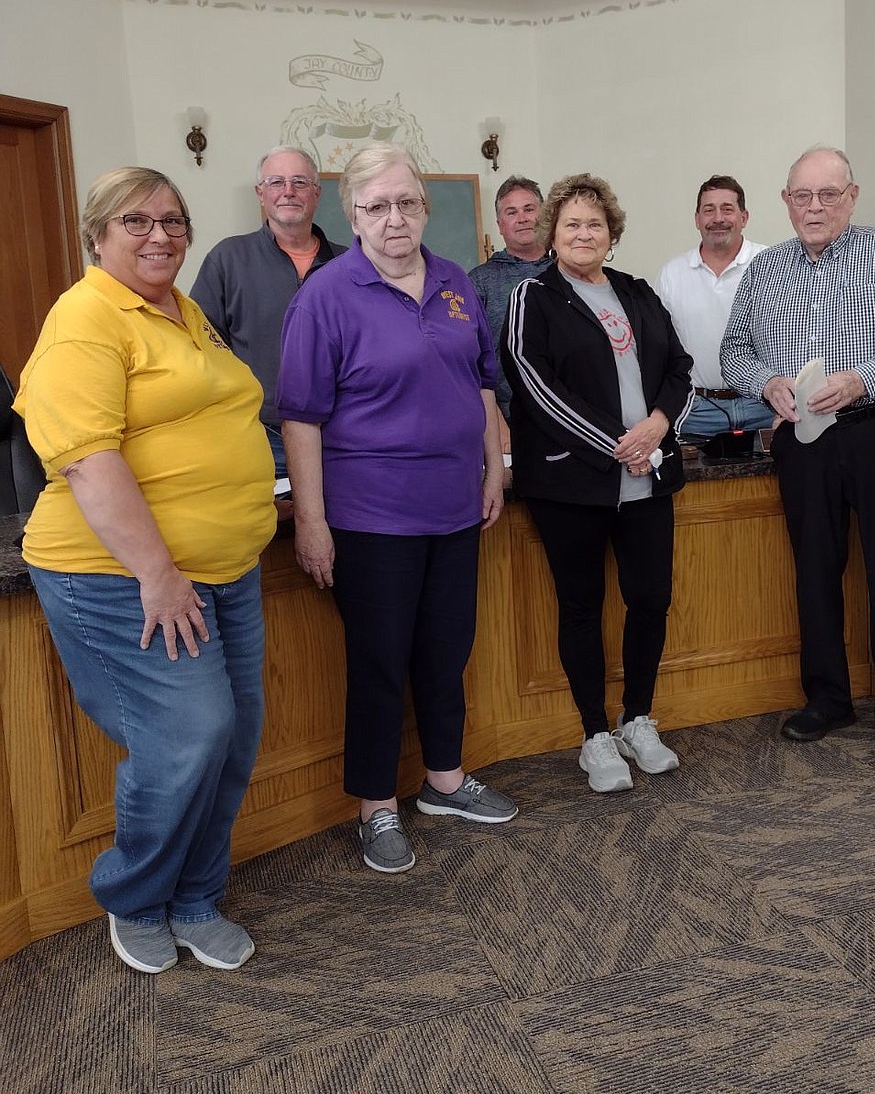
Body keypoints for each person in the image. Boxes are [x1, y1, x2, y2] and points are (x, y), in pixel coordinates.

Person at [15, 167, 276, 974]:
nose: (160, 235)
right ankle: (134, 896)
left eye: (173, 220)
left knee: (232, 742)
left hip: (225, 570)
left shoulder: (183, 312)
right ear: (97, 235)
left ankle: (196, 898)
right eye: (137, 221)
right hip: (123, 576)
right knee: (185, 737)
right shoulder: (86, 316)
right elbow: (90, 459)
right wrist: (158, 574)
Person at [278, 143, 518, 875]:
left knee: (448, 652)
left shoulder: (451, 281)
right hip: (370, 516)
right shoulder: (326, 294)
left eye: (406, 204)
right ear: (350, 214)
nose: (394, 219)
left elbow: (481, 381)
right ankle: (375, 806)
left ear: (425, 208)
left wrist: (494, 465)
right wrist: (312, 522)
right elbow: (301, 418)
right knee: (380, 663)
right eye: (376, 206)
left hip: (454, 507)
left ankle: (444, 780)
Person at [721, 146, 875, 761]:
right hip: (805, 440)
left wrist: (863, 380)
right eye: (803, 195)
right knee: (815, 572)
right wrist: (765, 380)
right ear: (785, 202)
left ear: (852, 197)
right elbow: (733, 350)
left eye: (829, 194)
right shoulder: (765, 267)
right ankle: (826, 698)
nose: (815, 206)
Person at [501, 173, 693, 792]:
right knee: (581, 607)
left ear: (612, 235)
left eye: (596, 225)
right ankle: (595, 736)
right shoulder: (533, 298)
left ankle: (638, 718)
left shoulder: (637, 293)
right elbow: (535, 387)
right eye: (572, 224)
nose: (585, 234)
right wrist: (621, 445)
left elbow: (679, 368)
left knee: (650, 600)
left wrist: (657, 429)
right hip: (572, 484)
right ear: (553, 234)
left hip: (649, 477)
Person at [190, 146, 345, 478]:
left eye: (300, 182)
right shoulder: (228, 259)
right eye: (276, 182)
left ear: (317, 194)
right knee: (266, 529)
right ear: (260, 193)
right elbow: (199, 349)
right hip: (259, 436)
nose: (288, 191)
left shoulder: (349, 266)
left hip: (340, 436)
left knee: (339, 529)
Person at [657, 174, 773, 442]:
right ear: (697, 219)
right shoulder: (672, 275)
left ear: (744, 217)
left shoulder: (769, 264)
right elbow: (660, 351)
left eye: (727, 209)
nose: (718, 218)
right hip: (697, 410)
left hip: (764, 405)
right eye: (709, 210)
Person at [467, 175, 550, 441]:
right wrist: (496, 421)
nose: (522, 218)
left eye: (529, 209)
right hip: (508, 425)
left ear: (545, 215)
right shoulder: (479, 282)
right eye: (511, 212)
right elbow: (470, 360)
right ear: (500, 225)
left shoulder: (569, 272)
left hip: (574, 421)